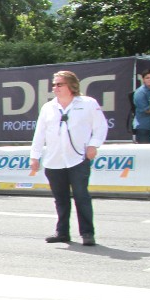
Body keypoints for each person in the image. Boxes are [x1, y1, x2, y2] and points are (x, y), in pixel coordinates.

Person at [29, 70, 108, 247]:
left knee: (81, 196)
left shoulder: (88, 103)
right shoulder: (48, 107)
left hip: (78, 158)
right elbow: (39, 133)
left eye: (59, 84)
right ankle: (62, 232)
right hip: (54, 160)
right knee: (61, 199)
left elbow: (101, 126)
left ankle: (87, 233)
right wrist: (35, 156)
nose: (55, 88)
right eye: (54, 84)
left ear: (71, 85)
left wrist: (93, 145)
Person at [131, 69, 150, 144]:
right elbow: (147, 110)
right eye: (147, 78)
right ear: (143, 79)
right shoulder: (140, 92)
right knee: (146, 149)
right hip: (144, 127)